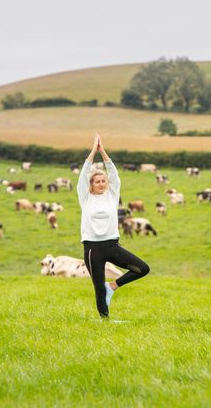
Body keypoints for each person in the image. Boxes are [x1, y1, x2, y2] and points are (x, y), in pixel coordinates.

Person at [77, 134, 150, 318]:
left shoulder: (112, 196)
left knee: (142, 268)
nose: (101, 184)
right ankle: (105, 321)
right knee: (98, 288)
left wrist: (104, 152)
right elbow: (85, 172)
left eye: (103, 181)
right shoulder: (85, 198)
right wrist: (94, 151)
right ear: (91, 185)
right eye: (97, 182)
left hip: (111, 245)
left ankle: (113, 286)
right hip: (92, 248)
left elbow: (114, 174)